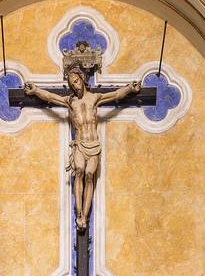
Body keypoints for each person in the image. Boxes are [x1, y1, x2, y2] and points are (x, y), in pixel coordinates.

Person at [24, 69, 140, 230]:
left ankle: (85, 215)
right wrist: (35, 90)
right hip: (79, 144)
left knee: (89, 175)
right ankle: (78, 213)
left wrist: (130, 88)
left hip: (94, 145)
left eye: (77, 81)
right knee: (79, 170)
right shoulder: (70, 102)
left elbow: (115, 95)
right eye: (72, 84)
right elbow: (50, 97)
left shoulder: (95, 98)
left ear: (82, 79)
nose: (75, 86)